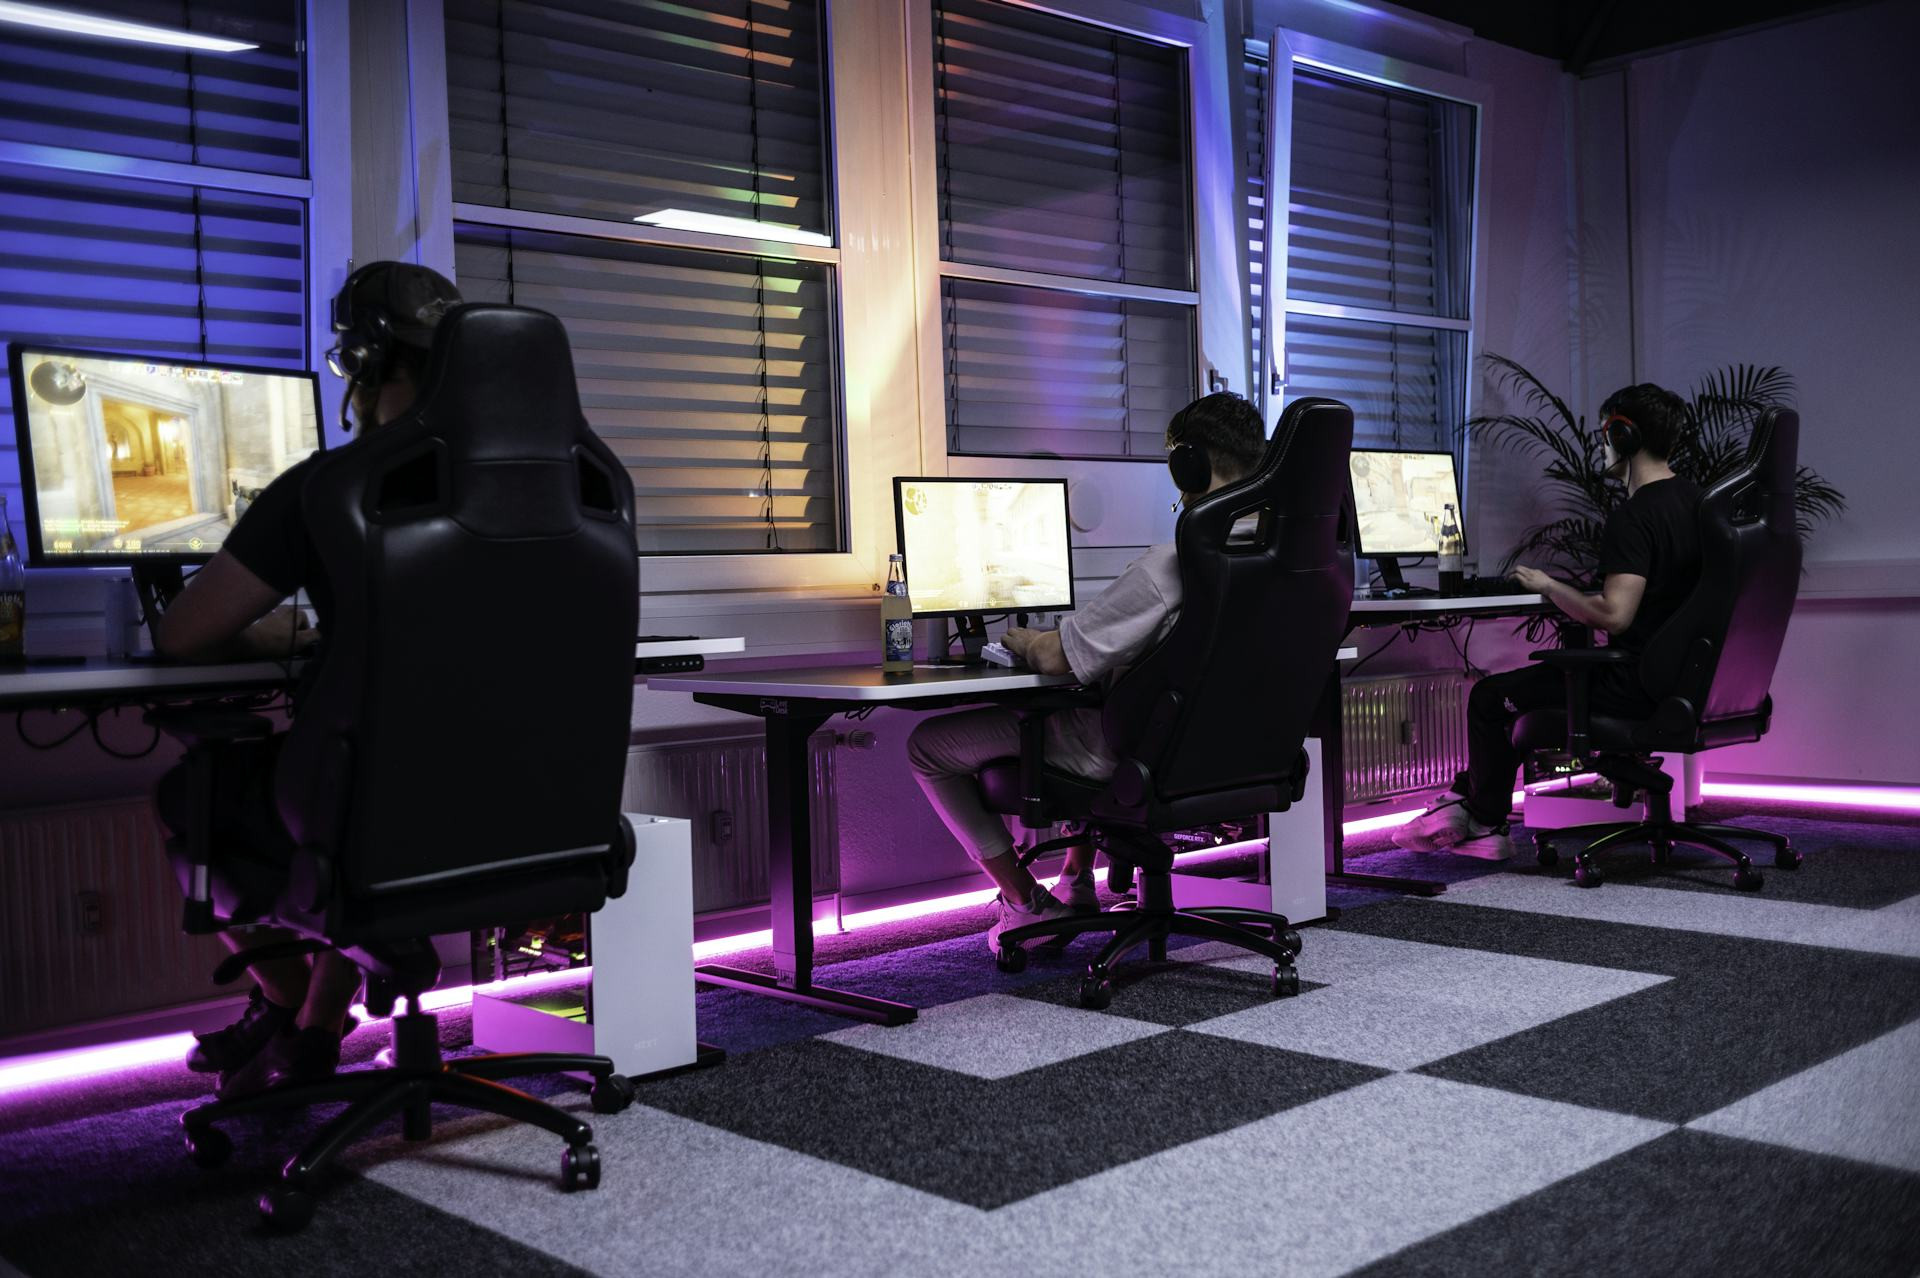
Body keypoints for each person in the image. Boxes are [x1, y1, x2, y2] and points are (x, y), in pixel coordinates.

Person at [154, 261, 462, 1098]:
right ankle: (315, 1029)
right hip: (514, 805)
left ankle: (290, 1010)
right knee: (359, 789)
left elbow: (183, 636)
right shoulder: (555, 486)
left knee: (198, 795)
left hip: (370, 810)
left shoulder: (331, 488)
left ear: (361, 363)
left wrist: (261, 629)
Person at [907, 392, 1268, 953]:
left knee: (928, 746)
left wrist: (1028, 641)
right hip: (1229, 751)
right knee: (1092, 697)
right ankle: (1076, 880)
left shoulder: (1173, 566)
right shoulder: (1277, 559)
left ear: (1187, 465)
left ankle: (1024, 904)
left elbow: (1058, 659)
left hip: (1134, 754)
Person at [1394, 382, 1704, 859]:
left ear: (1622, 436)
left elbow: (1615, 615)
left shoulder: (1637, 516)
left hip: (1632, 684)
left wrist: (1548, 585)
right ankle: (1469, 804)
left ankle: (1483, 821)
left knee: (1489, 697)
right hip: (1684, 681)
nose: (1601, 445)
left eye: (1604, 434)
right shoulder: (1701, 505)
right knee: (1520, 695)